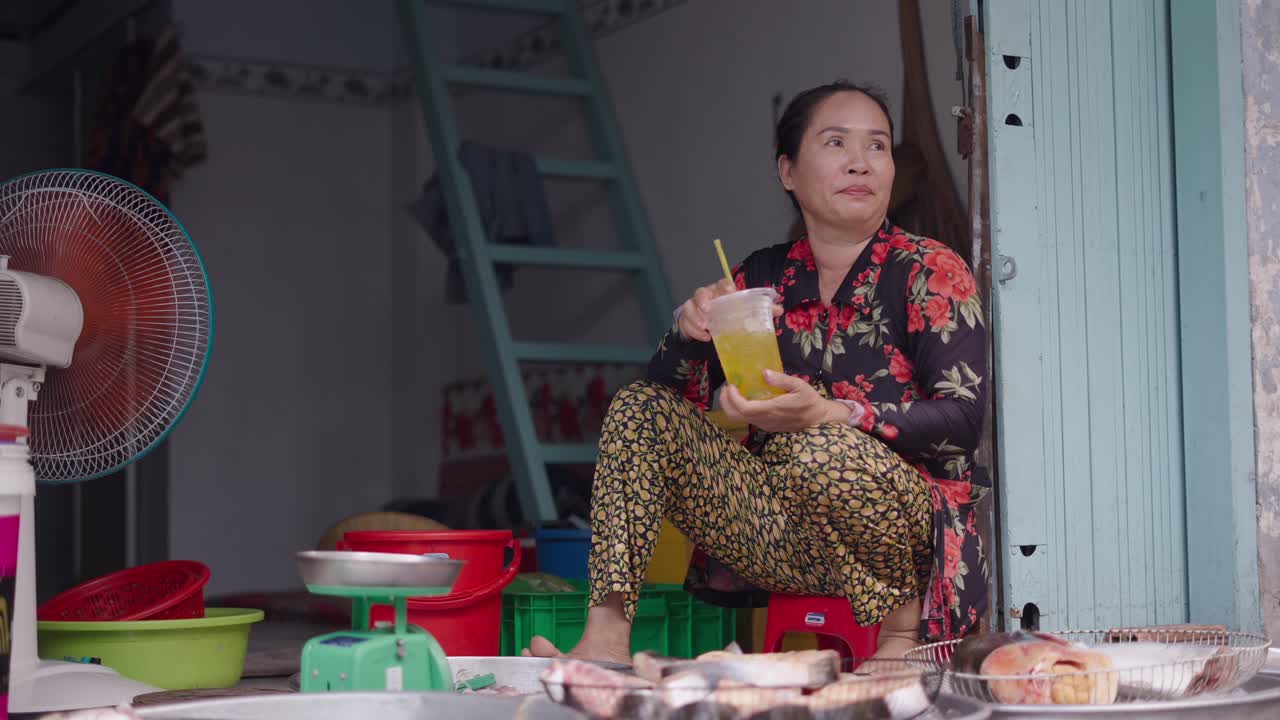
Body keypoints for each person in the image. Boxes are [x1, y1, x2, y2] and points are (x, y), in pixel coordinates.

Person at [527, 80, 989, 664]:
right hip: (781, 532)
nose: (859, 163)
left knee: (814, 446)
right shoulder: (763, 275)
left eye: (877, 146)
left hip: (902, 538)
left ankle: (901, 643)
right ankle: (606, 637)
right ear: (788, 171)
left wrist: (833, 413)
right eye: (836, 143)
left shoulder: (927, 269)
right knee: (639, 411)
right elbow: (671, 399)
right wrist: (690, 330)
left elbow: (964, 420)